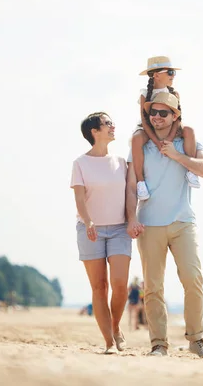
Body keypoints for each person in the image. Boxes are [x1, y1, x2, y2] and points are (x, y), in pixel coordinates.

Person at [125, 92, 203, 358]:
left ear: (175, 115)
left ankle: (196, 340)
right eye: (153, 112)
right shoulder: (140, 144)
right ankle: (158, 344)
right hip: (149, 224)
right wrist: (131, 218)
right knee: (153, 287)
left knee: (193, 279)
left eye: (163, 113)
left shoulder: (188, 142)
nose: (157, 117)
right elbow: (131, 185)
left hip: (183, 222)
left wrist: (177, 156)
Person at [70, 112, 134, 355]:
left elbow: (130, 194)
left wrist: (132, 219)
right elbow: (79, 199)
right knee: (99, 287)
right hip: (90, 230)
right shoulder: (80, 163)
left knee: (120, 285)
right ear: (94, 132)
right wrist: (88, 222)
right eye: (107, 124)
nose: (112, 126)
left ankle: (116, 327)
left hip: (119, 229)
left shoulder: (121, 162)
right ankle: (109, 342)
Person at [132, 56, 200, 201]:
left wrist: (169, 139)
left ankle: (192, 171)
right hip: (149, 128)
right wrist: (156, 142)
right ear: (156, 75)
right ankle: (140, 182)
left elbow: (177, 118)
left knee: (188, 130)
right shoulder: (145, 94)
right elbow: (145, 121)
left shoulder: (174, 94)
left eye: (173, 72)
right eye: (169, 72)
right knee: (137, 138)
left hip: (171, 127)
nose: (173, 76)